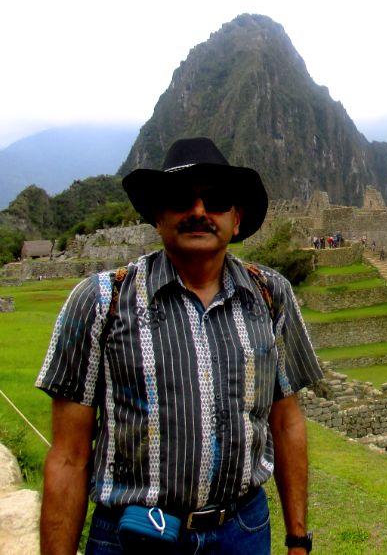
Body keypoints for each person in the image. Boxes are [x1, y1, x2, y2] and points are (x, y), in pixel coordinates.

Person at [36, 138, 321, 555]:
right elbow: (68, 457)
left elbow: (286, 423)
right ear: (157, 214)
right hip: (133, 536)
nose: (199, 211)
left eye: (217, 200)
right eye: (180, 198)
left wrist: (297, 539)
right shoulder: (101, 302)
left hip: (241, 531)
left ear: (237, 219)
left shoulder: (270, 295)